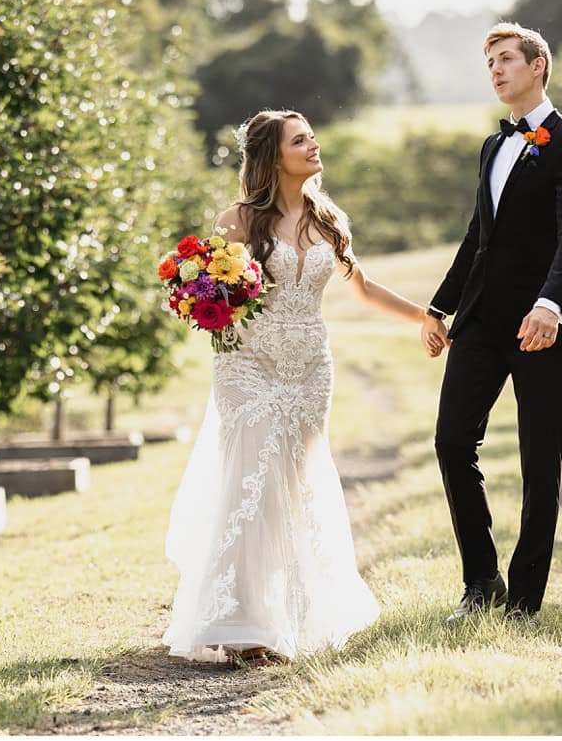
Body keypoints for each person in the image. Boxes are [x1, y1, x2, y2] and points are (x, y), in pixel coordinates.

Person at [163, 108, 441, 665]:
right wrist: (210, 306)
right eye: (300, 140)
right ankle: (244, 626)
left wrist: (425, 317)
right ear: (273, 155)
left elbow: (361, 288)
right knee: (253, 482)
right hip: (246, 368)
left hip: (310, 370)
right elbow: (201, 292)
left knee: (294, 486)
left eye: (312, 136)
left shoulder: (327, 218)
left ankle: (287, 613)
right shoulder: (238, 221)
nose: (313, 146)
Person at [421, 23, 562, 623]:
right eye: (488, 62)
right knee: (450, 443)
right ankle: (481, 583)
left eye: (505, 59)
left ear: (538, 65)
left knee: (537, 459)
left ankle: (524, 602)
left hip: (541, 327)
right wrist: (440, 308)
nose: (495, 71)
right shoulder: (493, 148)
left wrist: (552, 305)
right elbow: (478, 238)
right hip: (479, 325)